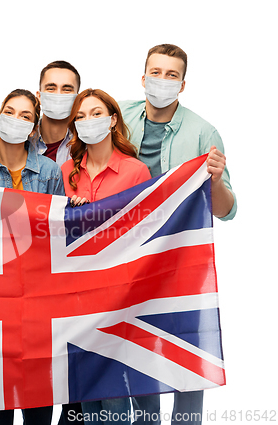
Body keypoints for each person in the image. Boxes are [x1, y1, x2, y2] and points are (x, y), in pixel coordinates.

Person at [118, 44, 237, 425]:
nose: (162, 81)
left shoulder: (204, 132)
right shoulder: (118, 116)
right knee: (140, 354)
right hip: (129, 261)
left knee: (188, 356)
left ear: (182, 85)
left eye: (171, 75)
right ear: (143, 78)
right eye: (156, 73)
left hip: (182, 265)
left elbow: (227, 209)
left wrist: (215, 180)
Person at [0, 88, 64, 425]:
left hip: (39, 300)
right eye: (10, 111)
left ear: (34, 128)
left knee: (39, 397)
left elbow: (59, 235)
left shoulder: (49, 172)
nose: (16, 120)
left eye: (26, 115)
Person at [60, 88, 151, 425]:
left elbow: (141, 235)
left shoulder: (135, 171)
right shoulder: (67, 170)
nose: (88, 122)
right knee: (85, 400)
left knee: (115, 399)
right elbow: (54, 233)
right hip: (76, 301)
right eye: (80, 116)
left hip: (118, 298)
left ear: (113, 120)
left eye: (96, 114)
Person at [0, 60, 81, 167]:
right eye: (51, 88)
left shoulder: (85, 142)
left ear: (77, 98)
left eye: (67, 89)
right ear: (39, 96)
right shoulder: (23, 135)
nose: (58, 94)